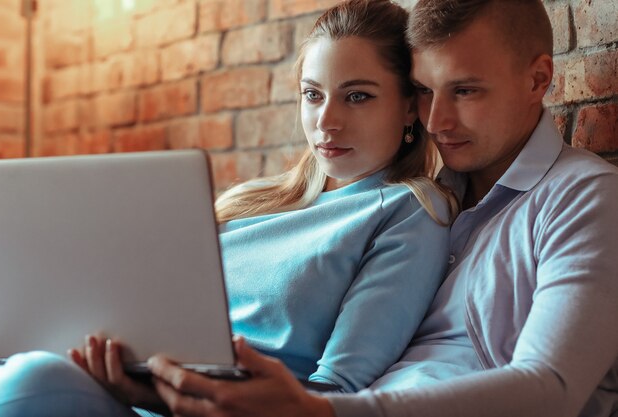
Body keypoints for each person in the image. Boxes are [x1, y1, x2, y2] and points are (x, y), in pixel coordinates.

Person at [74, 0, 618, 416]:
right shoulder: (437, 192)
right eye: (427, 92)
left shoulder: (582, 197)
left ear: (538, 80)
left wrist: (324, 410)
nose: (436, 121)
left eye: (466, 91)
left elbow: (553, 388)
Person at [0, 1, 458, 416]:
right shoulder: (250, 200)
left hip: (204, 407)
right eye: (313, 95)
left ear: (409, 108)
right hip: (126, 386)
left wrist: (163, 395)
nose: (326, 121)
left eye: (358, 96)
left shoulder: (410, 209)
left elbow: (334, 390)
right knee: (26, 365)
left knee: (33, 380)